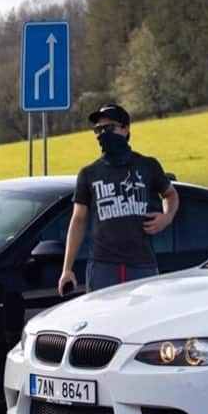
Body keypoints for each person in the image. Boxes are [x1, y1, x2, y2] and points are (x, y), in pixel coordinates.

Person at [57, 103, 179, 295]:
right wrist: (67, 269)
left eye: (108, 127)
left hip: (142, 265)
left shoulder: (147, 166)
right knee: (103, 322)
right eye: (98, 130)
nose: (102, 134)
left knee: (143, 321)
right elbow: (78, 219)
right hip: (103, 267)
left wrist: (167, 216)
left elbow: (170, 194)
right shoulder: (89, 173)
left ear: (125, 128)